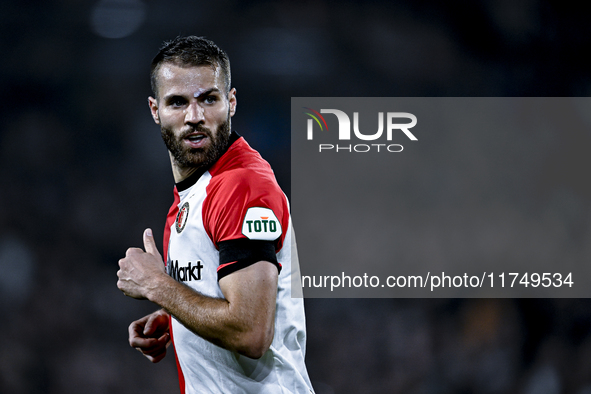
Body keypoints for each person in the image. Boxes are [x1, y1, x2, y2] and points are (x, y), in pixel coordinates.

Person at [116, 36, 314, 394]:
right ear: (154, 109)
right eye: (177, 102)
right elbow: (228, 296)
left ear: (231, 102)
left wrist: (157, 287)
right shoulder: (196, 191)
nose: (195, 117)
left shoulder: (241, 185)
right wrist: (175, 317)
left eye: (209, 99)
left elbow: (251, 332)